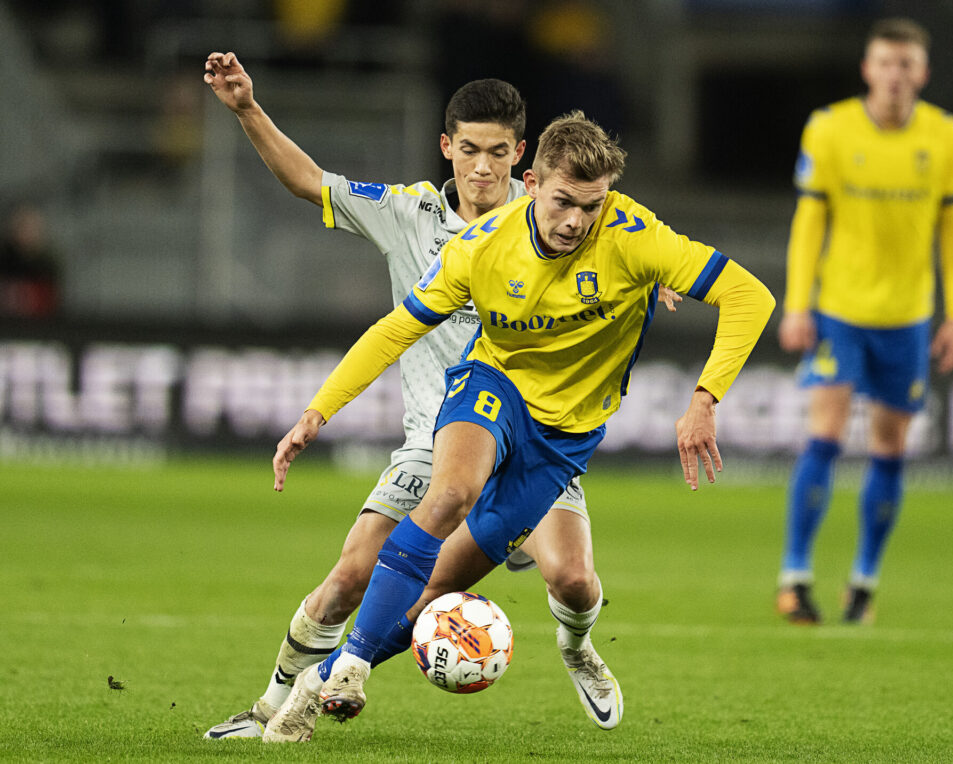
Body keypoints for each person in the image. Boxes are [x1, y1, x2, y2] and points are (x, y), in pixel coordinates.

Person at [266, 111, 775, 741]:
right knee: (450, 492)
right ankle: (336, 682)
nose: (575, 221)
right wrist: (318, 410)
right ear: (531, 183)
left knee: (518, 581)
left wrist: (705, 399)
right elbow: (397, 329)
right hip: (493, 385)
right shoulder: (480, 248)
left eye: (592, 206)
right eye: (563, 201)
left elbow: (751, 295)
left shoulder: (634, 235)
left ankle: (572, 644)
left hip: (564, 435)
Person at [201, 53, 663, 739]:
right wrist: (245, 108)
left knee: (573, 583)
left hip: (533, 438)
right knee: (350, 577)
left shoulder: (555, 218)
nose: (483, 167)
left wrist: (657, 276)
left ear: (522, 157)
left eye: (498, 152)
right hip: (437, 443)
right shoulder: (406, 214)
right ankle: (273, 704)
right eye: (469, 150)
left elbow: (626, 247)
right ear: (447, 147)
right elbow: (307, 181)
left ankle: (577, 646)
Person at [775, 18, 953, 625]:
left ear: (923, 72)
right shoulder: (830, 128)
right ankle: (795, 576)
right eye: (885, 63)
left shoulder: (946, 136)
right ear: (867, 69)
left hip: (908, 317)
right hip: (840, 312)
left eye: (907, 65)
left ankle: (863, 581)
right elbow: (810, 219)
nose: (895, 76)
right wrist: (798, 301)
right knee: (825, 434)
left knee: (889, 448)